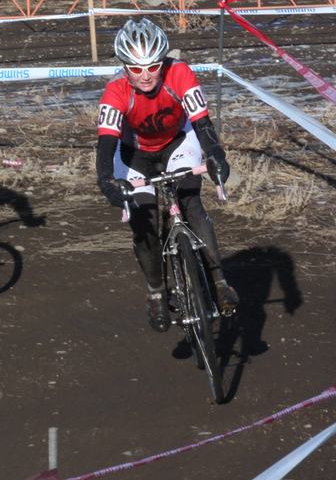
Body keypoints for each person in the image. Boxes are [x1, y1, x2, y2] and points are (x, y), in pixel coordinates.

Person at [94, 17, 237, 333]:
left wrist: (216, 156)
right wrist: (106, 180)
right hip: (134, 156)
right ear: (124, 67)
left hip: (177, 143)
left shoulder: (179, 73)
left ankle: (220, 282)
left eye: (152, 66)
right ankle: (157, 293)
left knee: (192, 203)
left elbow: (202, 124)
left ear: (163, 62)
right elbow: (105, 145)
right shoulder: (116, 93)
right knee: (143, 223)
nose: (145, 76)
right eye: (135, 68)